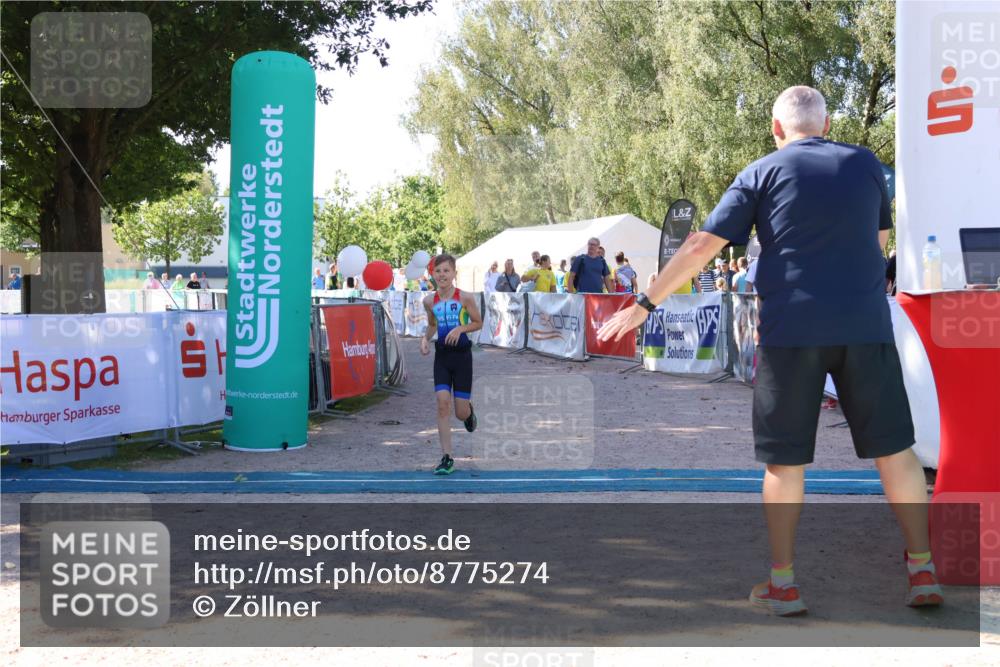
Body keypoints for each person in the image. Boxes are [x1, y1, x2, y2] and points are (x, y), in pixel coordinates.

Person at [598, 85, 939, 615]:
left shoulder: (760, 172)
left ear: (777, 130)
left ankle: (784, 584)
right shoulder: (867, 165)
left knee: (784, 462)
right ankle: (922, 570)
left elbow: (700, 247)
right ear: (826, 125)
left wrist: (646, 303)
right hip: (865, 326)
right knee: (895, 451)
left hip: (791, 331)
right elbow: (878, 246)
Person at [420, 254, 483, 475]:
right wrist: (425, 339)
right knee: (442, 404)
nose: (442, 275)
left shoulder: (465, 298)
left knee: (460, 412)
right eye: (438, 271)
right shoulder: (429, 301)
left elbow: (477, 322)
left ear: (454, 273)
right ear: (433, 275)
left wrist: (460, 329)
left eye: (446, 270)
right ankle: (447, 457)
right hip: (443, 357)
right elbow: (432, 325)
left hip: (463, 358)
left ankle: (469, 412)